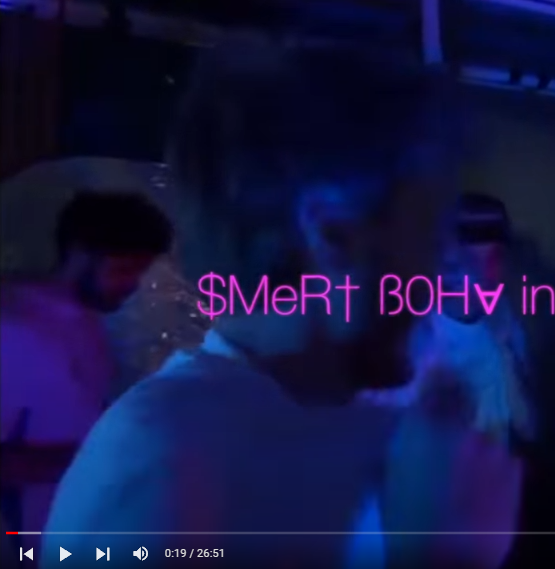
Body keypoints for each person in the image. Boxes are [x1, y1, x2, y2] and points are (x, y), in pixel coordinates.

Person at [42, 40, 521, 569]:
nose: (445, 266)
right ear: (334, 236)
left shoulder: (357, 431)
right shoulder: (164, 462)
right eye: (428, 231)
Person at [1, 191, 172, 557]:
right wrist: (101, 457)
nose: (132, 285)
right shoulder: (13, 329)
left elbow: (71, 414)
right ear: (80, 254)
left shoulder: (84, 323)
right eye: (123, 270)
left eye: (140, 272)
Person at [360, 193, 535, 446]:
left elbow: (521, 405)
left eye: (493, 257)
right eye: (456, 263)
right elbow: (415, 402)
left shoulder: (504, 319)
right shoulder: (430, 334)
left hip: (496, 454)